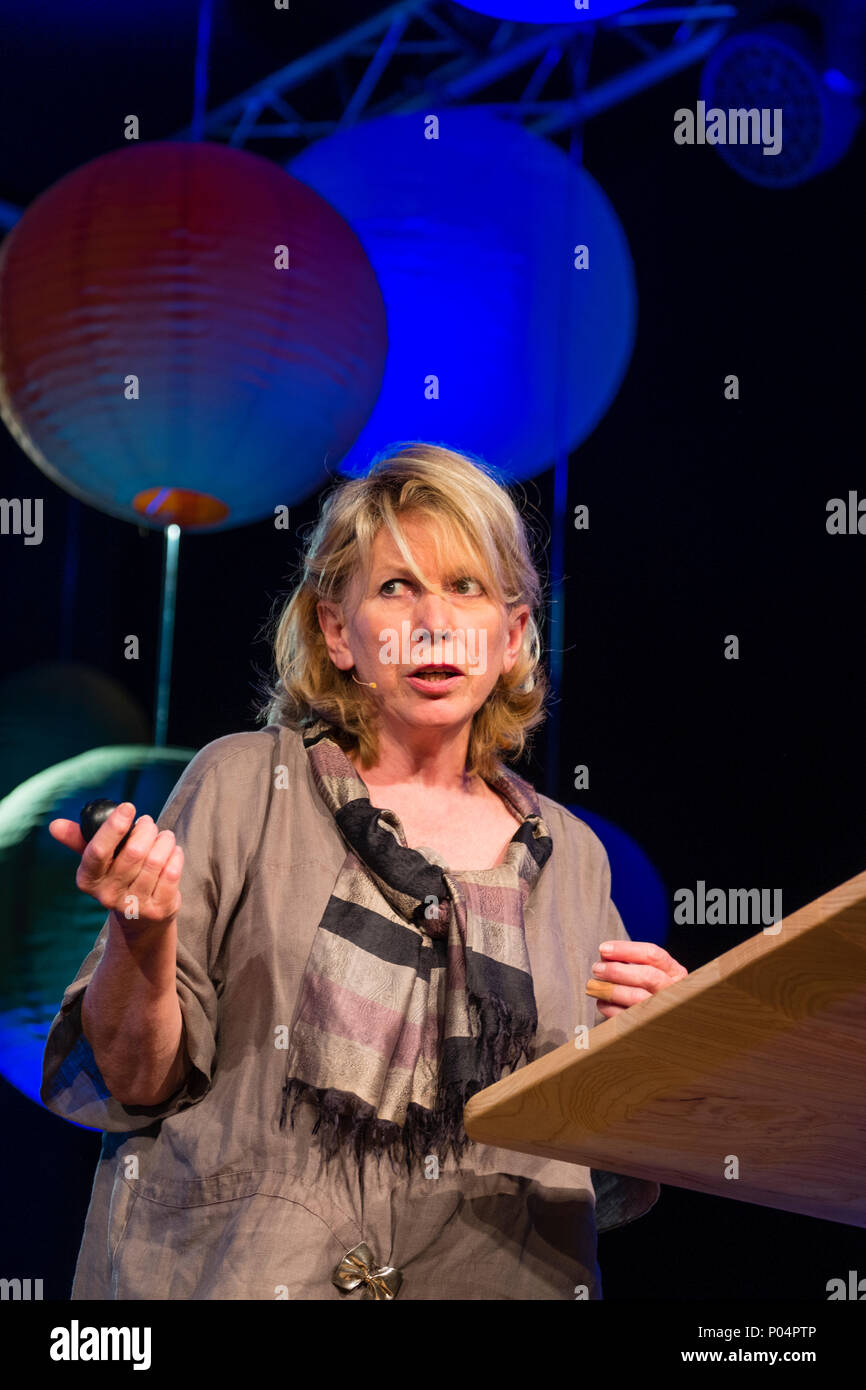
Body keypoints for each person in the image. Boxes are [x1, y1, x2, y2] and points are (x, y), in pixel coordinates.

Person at [42, 441, 687, 1300]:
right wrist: (142, 934)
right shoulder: (243, 783)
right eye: (396, 587)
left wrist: (661, 1051)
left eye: (466, 588)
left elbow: (606, 1168)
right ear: (336, 631)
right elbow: (133, 1078)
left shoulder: (573, 859)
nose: (434, 622)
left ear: (513, 635)